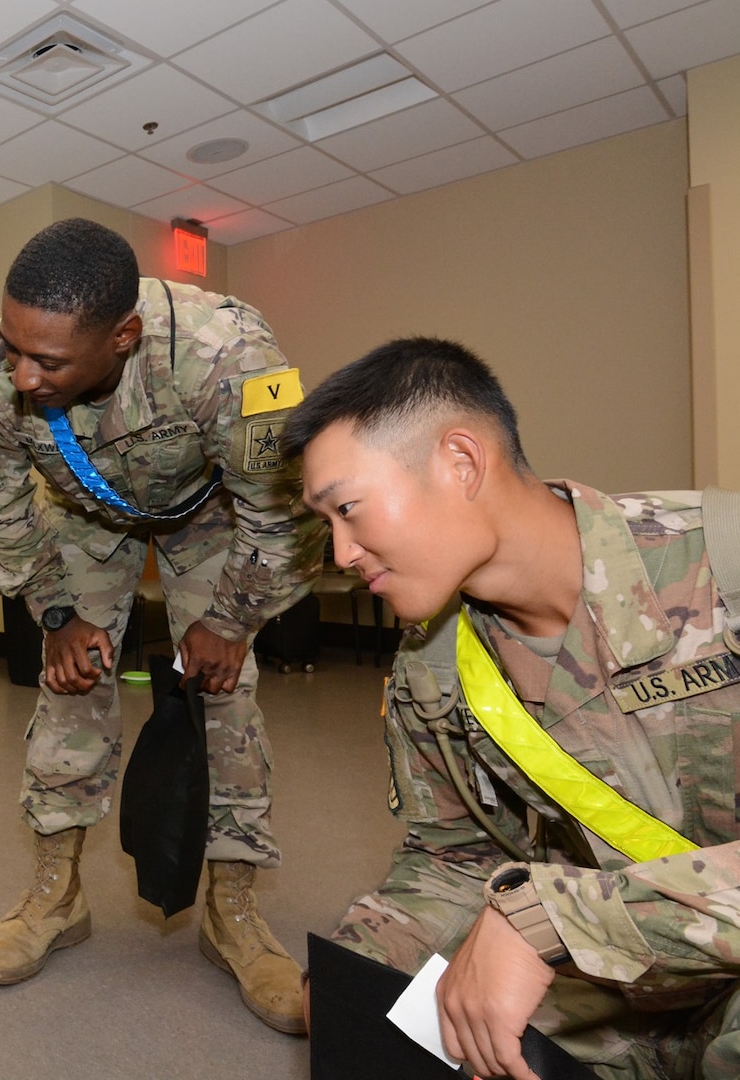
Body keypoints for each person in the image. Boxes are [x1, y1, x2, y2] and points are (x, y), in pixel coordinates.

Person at [285, 337, 740, 1079]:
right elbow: (452, 858)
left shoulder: (724, 564)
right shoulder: (432, 667)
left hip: (648, 945)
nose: (340, 554)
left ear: (461, 463)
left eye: (348, 509)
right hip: (633, 977)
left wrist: (556, 919)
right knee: (439, 1033)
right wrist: (359, 964)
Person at [0, 218, 324, 1034]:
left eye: (47, 361)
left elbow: (281, 510)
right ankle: (57, 893)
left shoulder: (231, 354)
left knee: (224, 695)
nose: (21, 373)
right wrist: (55, 612)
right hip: (86, 517)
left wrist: (229, 621)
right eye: (14, 347)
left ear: (122, 338)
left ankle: (232, 911)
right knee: (71, 684)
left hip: (208, 513)